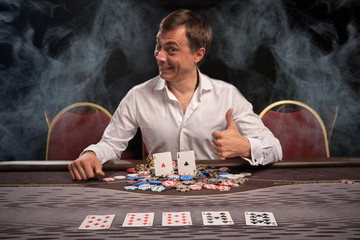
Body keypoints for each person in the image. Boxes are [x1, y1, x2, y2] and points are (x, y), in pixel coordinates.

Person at [68, 9, 282, 181]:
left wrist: (245, 146)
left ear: (198, 54)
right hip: (159, 191)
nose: (159, 57)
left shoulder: (228, 95)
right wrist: (91, 154)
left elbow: (274, 148)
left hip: (212, 193)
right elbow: (111, 144)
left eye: (171, 50)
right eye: (158, 46)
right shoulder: (138, 96)